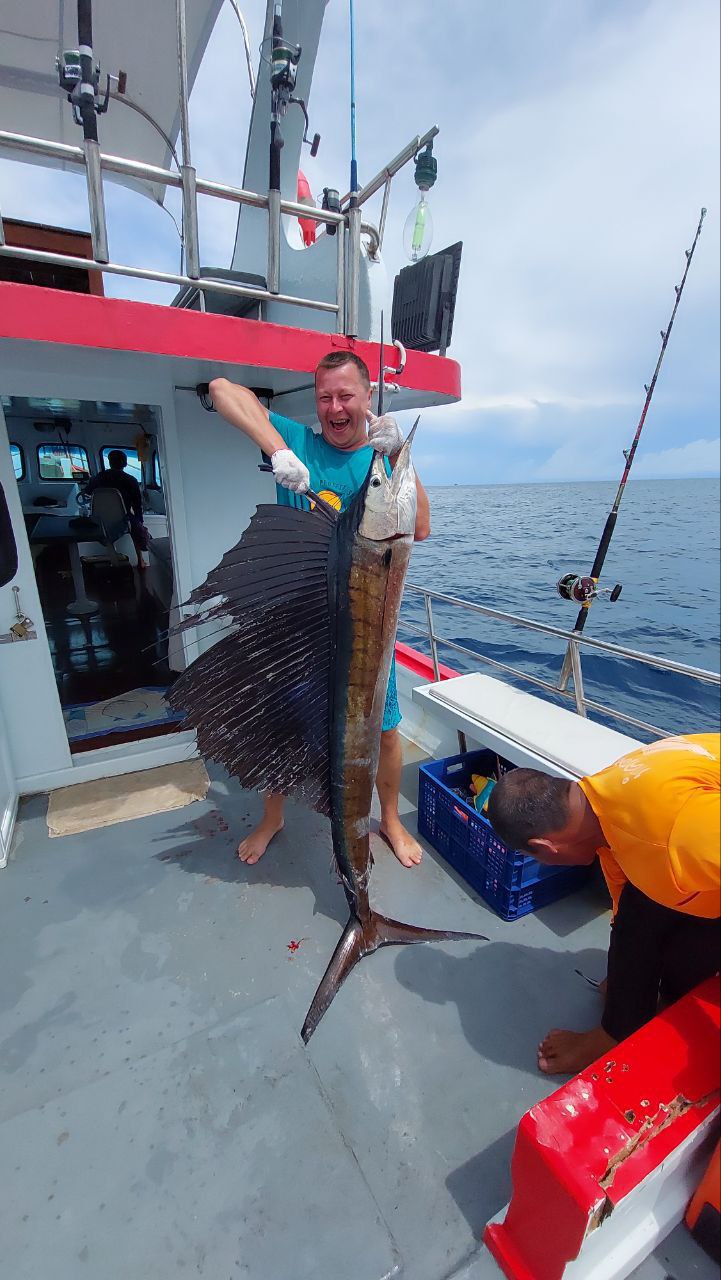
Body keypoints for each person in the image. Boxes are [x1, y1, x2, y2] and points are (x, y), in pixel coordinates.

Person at [209, 351, 431, 869]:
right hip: (294, 624)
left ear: (367, 397)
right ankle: (273, 817)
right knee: (282, 722)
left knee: (386, 727)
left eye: (346, 396)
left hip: (364, 625)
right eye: (325, 397)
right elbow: (223, 389)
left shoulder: (381, 458)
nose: (335, 407)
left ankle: (391, 819)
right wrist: (277, 451)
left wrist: (398, 455)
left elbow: (419, 527)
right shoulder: (299, 440)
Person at [486, 734, 720, 1075]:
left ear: (546, 847)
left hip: (700, 850)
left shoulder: (678, 838)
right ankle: (629, 1024)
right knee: (636, 910)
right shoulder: (603, 800)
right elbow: (623, 889)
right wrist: (628, 977)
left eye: (530, 856)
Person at [84, 449, 150, 566]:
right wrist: (140, 522)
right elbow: (137, 505)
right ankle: (140, 560)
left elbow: (87, 492)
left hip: (99, 519)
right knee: (136, 527)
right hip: (123, 519)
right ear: (125, 463)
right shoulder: (131, 480)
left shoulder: (97, 478)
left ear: (109, 463)